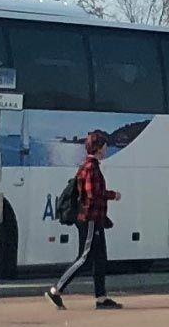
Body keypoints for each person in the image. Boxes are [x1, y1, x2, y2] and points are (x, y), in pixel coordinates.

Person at [45, 130, 122, 310]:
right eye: (104, 146)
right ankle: (56, 290)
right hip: (89, 219)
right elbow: (93, 194)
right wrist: (113, 195)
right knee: (85, 258)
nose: (106, 149)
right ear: (98, 148)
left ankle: (101, 298)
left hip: (95, 219)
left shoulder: (90, 166)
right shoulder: (90, 167)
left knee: (100, 258)